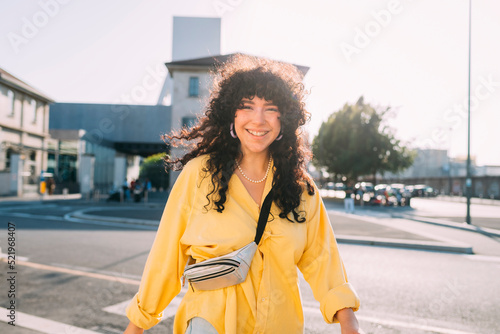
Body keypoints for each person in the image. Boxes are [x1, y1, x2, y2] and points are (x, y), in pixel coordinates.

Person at [124, 54, 362, 334]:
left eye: (270, 108)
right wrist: (136, 327)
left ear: (284, 118)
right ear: (231, 114)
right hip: (212, 324)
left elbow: (324, 261)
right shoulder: (199, 175)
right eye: (247, 106)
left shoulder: (302, 190)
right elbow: (166, 257)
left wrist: (350, 324)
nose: (258, 120)